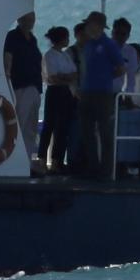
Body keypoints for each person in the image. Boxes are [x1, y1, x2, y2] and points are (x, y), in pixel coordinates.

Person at [76, 13, 125, 179]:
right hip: (87, 92)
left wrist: (105, 77)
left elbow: (120, 68)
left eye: (89, 24)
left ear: (97, 25)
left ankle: (106, 170)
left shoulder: (108, 44)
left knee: (105, 132)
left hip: (103, 94)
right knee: (86, 131)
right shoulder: (88, 44)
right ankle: (92, 167)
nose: (87, 28)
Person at [2, 10, 43, 164]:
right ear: (20, 20)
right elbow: (8, 59)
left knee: (31, 127)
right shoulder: (12, 37)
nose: (30, 22)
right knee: (20, 123)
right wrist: (8, 79)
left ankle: (26, 159)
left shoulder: (32, 39)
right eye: (27, 19)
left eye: (32, 19)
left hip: (34, 87)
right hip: (20, 86)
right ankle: (16, 160)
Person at [40, 25, 77, 173]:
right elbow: (53, 78)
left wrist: (64, 78)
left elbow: (74, 74)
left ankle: (58, 160)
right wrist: (66, 78)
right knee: (49, 125)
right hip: (55, 92)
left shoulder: (65, 55)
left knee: (62, 128)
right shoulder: (49, 55)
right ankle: (42, 158)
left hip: (65, 92)